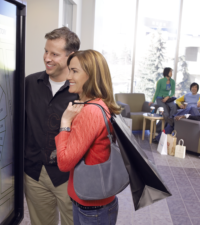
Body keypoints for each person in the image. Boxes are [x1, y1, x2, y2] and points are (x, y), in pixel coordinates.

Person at [55, 50, 121, 225]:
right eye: (69, 70)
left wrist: (65, 121)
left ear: (91, 76)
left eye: (74, 71)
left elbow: (64, 162)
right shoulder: (99, 104)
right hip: (97, 203)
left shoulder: (90, 111)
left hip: (92, 208)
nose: (68, 76)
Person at [24, 27, 80, 225]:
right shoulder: (30, 83)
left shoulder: (82, 92)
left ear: (71, 56)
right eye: (46, 51)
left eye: (54, 54)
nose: (47, 58)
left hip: (70, 177)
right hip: (34, 174)